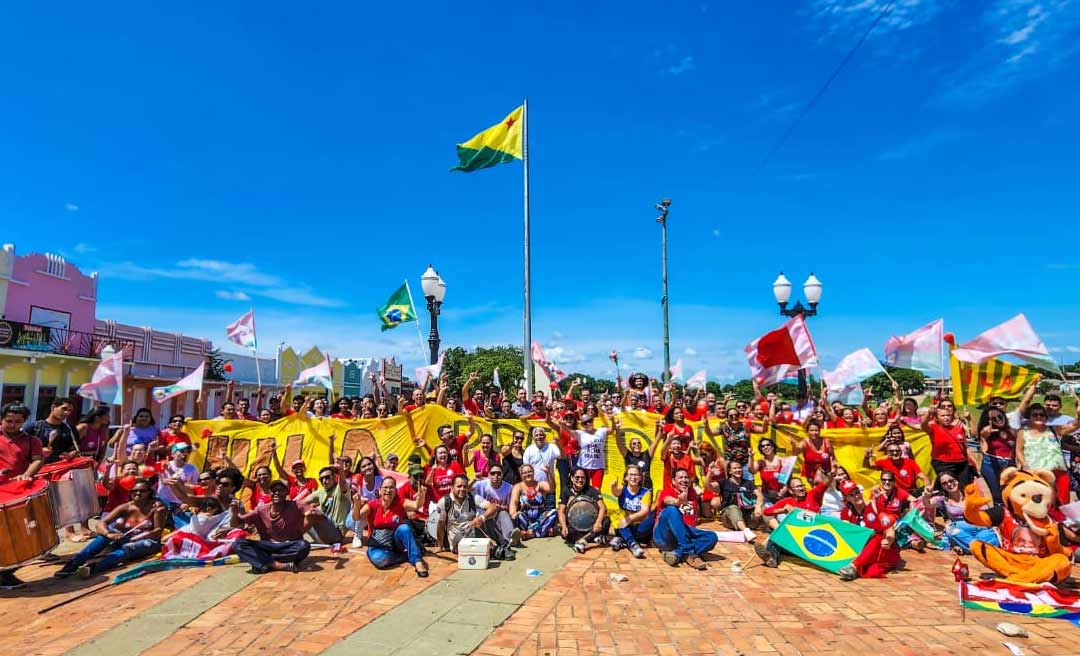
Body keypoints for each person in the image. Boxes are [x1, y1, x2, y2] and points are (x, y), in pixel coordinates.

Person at [54, 478, 167, 578]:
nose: (137, 493)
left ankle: (93, 568)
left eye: (142, 491)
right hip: (125, 538)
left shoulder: (156, 507)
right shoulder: (126, 507)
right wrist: (109, 534)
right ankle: (73, 564)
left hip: (148, 542)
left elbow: (157, 532)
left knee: (127, 548)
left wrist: (141, 536)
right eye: (134, 491)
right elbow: (101, 523)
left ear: (149, 492)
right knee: (102, 538)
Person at [0, 403, 45, 589]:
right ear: (1, 419)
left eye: (17, 422)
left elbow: (38, 460)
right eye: (9, 421)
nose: (12, 425)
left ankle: (5, 573)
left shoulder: (32, 440)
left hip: (17, 493)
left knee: (21, 536)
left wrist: (27, 474)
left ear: (24, 421)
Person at [352, 476, 429, 576]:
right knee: (380, 560)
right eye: (385, 487)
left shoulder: (400, 502)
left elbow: (416, 505)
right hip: (377, 545)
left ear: (395, 491)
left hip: (395, 544)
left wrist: (421, 496)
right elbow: (356, 517)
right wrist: (356, 505)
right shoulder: (373, 505)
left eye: (391, 487)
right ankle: (404, 556)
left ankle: (417, 561)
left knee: (404, 528)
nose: (388, 490)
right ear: (380, 491)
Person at [230, 480, 311, 574]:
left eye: (280, 490)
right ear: (269, 493)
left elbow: (312, 513)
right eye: (273, 490)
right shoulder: (261, 510)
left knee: (304, 546)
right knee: (238, 544)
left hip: (288, 546)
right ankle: (276, 565)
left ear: (287, 492)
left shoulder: (296, 505)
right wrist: (234, 513)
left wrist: (308, 520)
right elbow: (235, 524)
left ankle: (262, 561)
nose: (276, 493)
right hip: (268, 546)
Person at [437, 474, 516, 560]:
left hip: (474, 531)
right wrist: (440, 546)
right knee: (474, 531)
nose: (462, 489)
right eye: (459, 486)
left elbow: (492, 507)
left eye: (465, 486)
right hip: (458, 540)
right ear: (452, 487)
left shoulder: (472, 497)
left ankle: (502, 546)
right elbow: (440, 525)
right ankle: (498, 550)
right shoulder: (445, 502)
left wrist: (482, 518)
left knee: (489, 517)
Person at [653, 467, 718, 569]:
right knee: (672, 510)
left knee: (712, 537)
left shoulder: (692, 494)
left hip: (684, 534)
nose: (684, 480)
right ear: (674, 481)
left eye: (686, 477)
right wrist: (677, 502)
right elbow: (667, 500)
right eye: (680, 478)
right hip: (664, 536)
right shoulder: (667, 491)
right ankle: (689, 553)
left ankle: (677, 554)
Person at [930, 471, 1001, 555]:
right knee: (950, 530)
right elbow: (927, 503)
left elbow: (985, 510)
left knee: (991, 535)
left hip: (979, 527)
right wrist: (927, 494)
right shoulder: (943, 499)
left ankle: (968, 548)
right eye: (945, 483)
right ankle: (980, 549)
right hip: (960, 529)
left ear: (957, 481)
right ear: (942, 487)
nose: (949, 484)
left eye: (951, 480)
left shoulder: (970, 493)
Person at [1015, 403, 1070, 504]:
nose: (1038, 417)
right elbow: (1019, 450)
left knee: (1063, 502)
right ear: (1029, 417)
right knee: (1043, 502)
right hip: (1037, 474)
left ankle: (1063, 520)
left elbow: (1073, 426)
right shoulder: (1023, 432)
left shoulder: (1053, 429)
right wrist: (1024, 465)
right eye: (1035, 415)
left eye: (1041, 415)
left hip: (1059, 472)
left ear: (1046, 417)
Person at [557, 466, 610, 553]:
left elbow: (602, 507)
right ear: (571, 478)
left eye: (583, 478)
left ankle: (583, 541)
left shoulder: (592, 490)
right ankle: (593, 538)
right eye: (577, 477)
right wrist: (564, 526)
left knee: (606, 521)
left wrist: (598, 522)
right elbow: (561, 511)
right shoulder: (566, 490)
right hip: (574, 525)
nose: (580, 480)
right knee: (565, 534)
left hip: (591, 525)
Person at [921, 404, 973, 486]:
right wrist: (928, 414)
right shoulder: (934, 427)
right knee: (949, 486)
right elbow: (923, 425)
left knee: (966, 487)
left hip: (962, 463)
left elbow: (967, 442)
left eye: (948, 415)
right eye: (943, 416)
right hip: (943, 464)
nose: (946, 417)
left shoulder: (958, 428)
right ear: (937, 417)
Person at [609, 464, 652, 558]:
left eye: (636, 475)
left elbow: (644, 511)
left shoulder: (645, 492)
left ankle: (621, 539)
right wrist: (613, 487)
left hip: (638, 526)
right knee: (618, 518)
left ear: (640, 478)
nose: (633, 477)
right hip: (624, 525)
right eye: (631, 475)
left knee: (651, 518)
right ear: (626, 477)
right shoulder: (622, 489)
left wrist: (630, 518)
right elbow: (616, 492)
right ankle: (633, 544)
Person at [302, 465, 352, 546]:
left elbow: (342, 483)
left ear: (334, 477)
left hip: (336, 535)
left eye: (327, 477)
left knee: (313, 513)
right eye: (321, 479)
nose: (324, 481)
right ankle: (285, 536)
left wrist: (341, 470)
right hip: (321, 535)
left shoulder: (339, 490)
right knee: (301, 511)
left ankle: (293, 539)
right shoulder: (321, 492)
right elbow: (301, 503)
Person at [978, 404, 1017, 506]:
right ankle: (1001, 518)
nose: (998, 420)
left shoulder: (1011, 430)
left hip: (1009, 464)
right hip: (991, 464)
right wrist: (984, 436)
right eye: (994, 419)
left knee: (1011, 493)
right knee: (997, 496)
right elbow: (984, 450)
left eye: (1000, 416)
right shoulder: (987, 432)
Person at [716, 461, 762, 541]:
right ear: (730, 471)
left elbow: (759, 495)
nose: (738, 470)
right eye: (735, 468)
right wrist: (710, 474)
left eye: (739, 468)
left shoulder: (748, 483)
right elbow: (709, 486)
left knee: (764, 506)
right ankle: (746, 531)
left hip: (747, 517)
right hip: (729, 518)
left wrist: (758, 507)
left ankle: (775, 530)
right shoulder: (724, 482)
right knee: (733, 507)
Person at [157, 443, 200, 527]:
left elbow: (194, 489)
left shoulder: (192, 468)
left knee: (186, 526)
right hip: (162, 501)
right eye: (181, 451)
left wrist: (186, 504)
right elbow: (163, 482)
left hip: (179, 504)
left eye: (187, 451)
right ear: (173, 454)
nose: (184, 454)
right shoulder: (165, 464)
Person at [509, 463, 557, 539]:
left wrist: (548, 473)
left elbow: (552, 488)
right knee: (517, 516)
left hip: (539, 519)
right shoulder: (518, 487)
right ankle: (540, 531)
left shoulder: (540, 484)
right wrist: (513, 514)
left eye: (529, 472)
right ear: (521, 475)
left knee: (554, 512)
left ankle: (530, 533)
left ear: (533, 472)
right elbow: (513, 503)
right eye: (524, 473)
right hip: (525, 519)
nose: (527, 474)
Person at [864, 440, 930, 494]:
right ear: (887, 453)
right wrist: (866, 457)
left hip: (911, 492)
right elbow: (867, 466)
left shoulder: (910, 462)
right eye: (891, 451)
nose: (895, 453)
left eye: (897, 451)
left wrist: (927, 487)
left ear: (901, 452)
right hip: (893, 493)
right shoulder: (883, 462)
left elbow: (923, 477)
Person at [27, 397, 77, 464]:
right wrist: (39, 452)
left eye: (70, 410)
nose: (66, 413)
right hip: (37, 470)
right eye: (64, 408)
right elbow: (20, 448)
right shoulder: (34, 427)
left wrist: (69, 456)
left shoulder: (70, 429)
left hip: (59, 469)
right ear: (53, 407)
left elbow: (75, 450)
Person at [789, 420, 834, 485]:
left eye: (816, 430)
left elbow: (833, 458)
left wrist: (833, 470)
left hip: (826, 476)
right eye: (812, 430)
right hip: (810, 478)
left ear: (820, 431)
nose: (814, 433)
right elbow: (795, 453)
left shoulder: (826, 442)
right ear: (807, 432)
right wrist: (793, 445)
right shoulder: (804, 443)